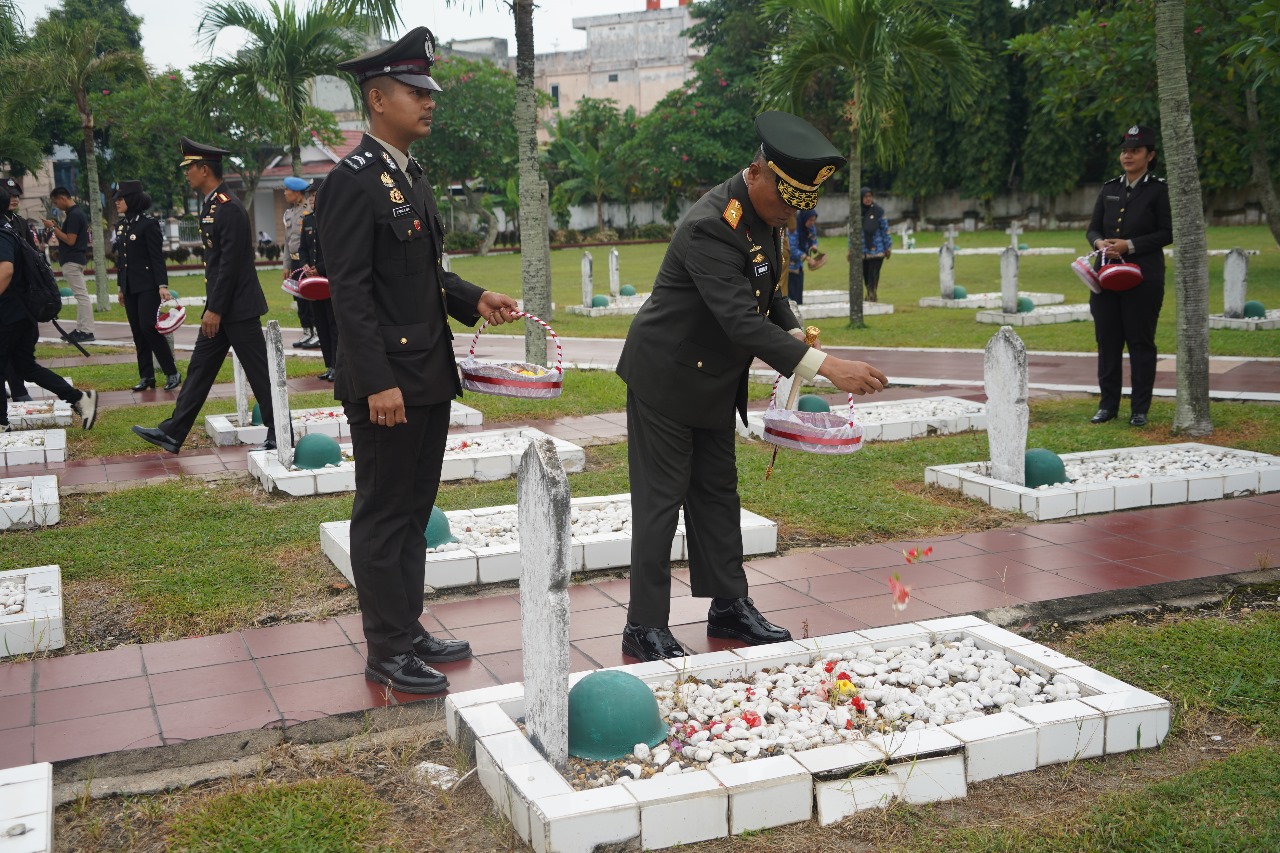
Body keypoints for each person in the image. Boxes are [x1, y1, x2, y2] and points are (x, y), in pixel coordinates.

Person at [615, 112, 890, 662]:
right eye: (786, 205)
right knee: (660, 503)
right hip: (666, 379)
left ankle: (729, 605)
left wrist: (794, 334)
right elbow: (741, 321)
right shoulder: (712, 225)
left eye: (797, 208)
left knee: (718, 495)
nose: (791, 218)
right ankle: (644, 625)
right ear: (757, 172)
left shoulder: (766, 218)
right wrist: (826, 365)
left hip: (712, 383)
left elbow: (769, 293)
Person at [317, 27, 519, 694]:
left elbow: (421, 275)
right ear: (378, 100)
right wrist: (376, 379)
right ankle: (386, 649)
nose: (428, 102)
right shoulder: (352, 182)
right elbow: (350, 289)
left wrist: (474, 295)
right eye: (414, 91)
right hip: (388, 382)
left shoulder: (411, 174)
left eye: (428, 91)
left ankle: (406, 626)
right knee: (383, 512)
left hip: (427, 373)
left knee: (414, 510)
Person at [131, 138, 276, 454]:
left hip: (236, 309)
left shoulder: (228, 208)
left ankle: (280, 430)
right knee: (199, 369)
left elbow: (230, 265)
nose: (186, 174)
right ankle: (173, 431)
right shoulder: (213, 205)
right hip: (223, 309)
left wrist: (216, 309)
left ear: (204, 169)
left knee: (259, 372)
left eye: (189, 168)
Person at [1085, 125, 1173, 427]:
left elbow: (1167, 232)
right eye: (1124, 150)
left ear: (1150, 155)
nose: (1128, 155)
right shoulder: (1110, 188)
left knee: (1140, 342)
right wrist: (1099, 243)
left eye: (1135, 150)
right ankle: (1107, 405)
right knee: (1107, 342)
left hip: (1143, 279)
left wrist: (1130, 245)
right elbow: (1093, 228)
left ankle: (1139, 409)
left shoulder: (1159, 190)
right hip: (1106, 277)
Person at [0, 185, 98, 433]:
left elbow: (6, 271)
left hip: (9, 315)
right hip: (22, 315)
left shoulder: (1, 235)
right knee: (25, 367)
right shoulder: (10, 231)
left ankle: (1, 423)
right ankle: (79, 398)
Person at [112, 181, 181, 392]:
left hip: (149, 285)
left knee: (149, 328)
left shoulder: (148, 224)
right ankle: (146, 376)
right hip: (130, 286)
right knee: (137, 332)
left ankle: (171, 372)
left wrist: (162, 284)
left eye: (121, 198)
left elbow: (156, 257)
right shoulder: (122, 225)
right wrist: (121, 288)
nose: (117, 202)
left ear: (132, 199)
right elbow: (121, 261)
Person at [298, 176, 336, 381]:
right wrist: (305, 265)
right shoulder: (308, 220)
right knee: (320, 323)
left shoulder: (332, 217)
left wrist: (319, 268)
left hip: (329, 280)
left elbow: (336, 251)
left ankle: (338, 366)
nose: (311, 199)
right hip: (313, 282)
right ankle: (329, 364)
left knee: (333, 324)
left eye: (314, 195)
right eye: (309, 196)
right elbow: (303, 248)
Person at [43, 187, 94, 342]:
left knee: (81, 296)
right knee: (81, 296)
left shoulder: (74, 215)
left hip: (72, 260)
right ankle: (81, 329)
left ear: (63, 198)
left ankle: (86, 331)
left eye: (56, 202)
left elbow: (70, 240)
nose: (56, 206)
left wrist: (53, 228)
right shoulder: (75, 214)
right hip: (75, 259)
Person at [282, 175, 319, 350]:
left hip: (307, 263)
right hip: (296, 263)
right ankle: (307, 331)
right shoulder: (288, 213)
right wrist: (286, 265)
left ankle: (317, 333)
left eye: (287, 190)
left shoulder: (308, 211)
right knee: (299, 299)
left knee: (310, 298)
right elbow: (287, 243)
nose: (284, 193)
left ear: (296, 193)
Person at [859, 187, 892, 303]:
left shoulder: (879, 211)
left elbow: (885, 230)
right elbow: (852, 232)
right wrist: (850, 249)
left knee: (874, 274)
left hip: (877, 250)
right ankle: (870, 293)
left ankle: (872, 295)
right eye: (865, 197)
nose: (868, 199)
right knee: (866, 275)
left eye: (870, 196)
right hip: (863, 251)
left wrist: (888, 246)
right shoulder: (857, 213)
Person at [785, 208, 822, 304]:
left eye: (814, 220)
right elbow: (792, 249)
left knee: (798, 295)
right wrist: (806, 257)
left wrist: (814, 246)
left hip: (799, 266)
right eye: (810, 220)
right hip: (790, 267)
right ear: (804, 218)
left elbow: (813, 238)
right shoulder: (793, 228)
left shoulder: (809, 227)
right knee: (792, 297)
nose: (812, 223)